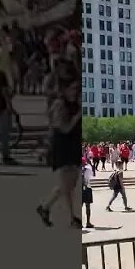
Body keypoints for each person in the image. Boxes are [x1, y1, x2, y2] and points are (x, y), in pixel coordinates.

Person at [35, 71, 77, 227]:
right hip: (63, 147)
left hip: (72, 147)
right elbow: (63, 128)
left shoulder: (73, 104)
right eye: (72, 89)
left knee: (69, 185)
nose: (75, 92)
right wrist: (77, 117)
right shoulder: (60, 105)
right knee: (67, 186)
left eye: (77, 89)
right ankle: (72, 218)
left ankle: (45, 207)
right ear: (64, 90)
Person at [81, 159, 96, 229]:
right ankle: (88, 222)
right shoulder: (88, 170)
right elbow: (93, 175)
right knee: (88, 206)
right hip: (87, 188)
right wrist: (91, 165)